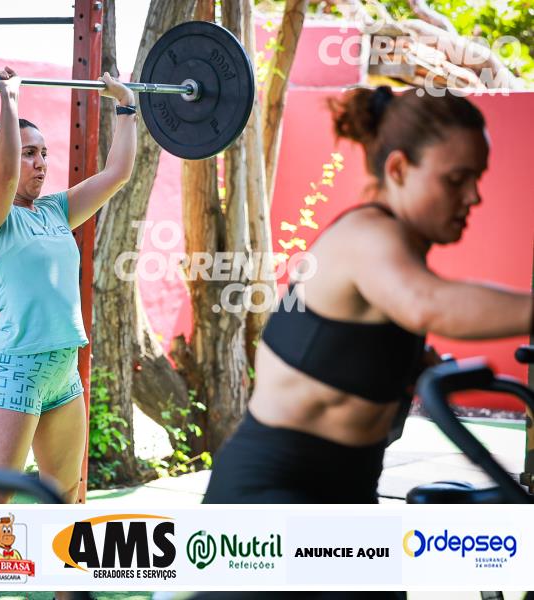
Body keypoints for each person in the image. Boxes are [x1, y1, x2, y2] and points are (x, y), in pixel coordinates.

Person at [203, 86, 533, 505]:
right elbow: (428, 305)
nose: (473, 196)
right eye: (456, 180)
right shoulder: (367, 236)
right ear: (398, 169)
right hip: (271, 494)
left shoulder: (399, 252)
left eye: (476, 179)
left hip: (351, 488)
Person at [0, 67, 136, 503]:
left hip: (62, 372)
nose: (41, 163)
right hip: (14, 371)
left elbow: (117, 174)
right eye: (30, 153)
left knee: (66, 493)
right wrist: (9, 99)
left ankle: (58, 553)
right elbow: (3, 177)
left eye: (44, 154)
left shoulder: (56, 210)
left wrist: (126, 106)